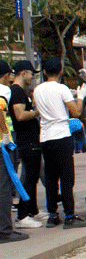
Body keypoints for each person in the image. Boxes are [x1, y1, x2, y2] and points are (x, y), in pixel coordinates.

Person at [32, 57, 86, 229]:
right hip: (62, 136)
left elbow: (43, 108)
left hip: (45, 137)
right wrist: (80, 97)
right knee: (66, 177)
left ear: (43, 72)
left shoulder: (37, 90)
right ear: (60, 71)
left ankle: (52, 215)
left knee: (50, 177)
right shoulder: (62, 88)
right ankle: (70, 216)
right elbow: (76, 112)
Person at [9, 60, 43, 230]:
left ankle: (32, 210)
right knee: (29, 177)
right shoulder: (17, 91)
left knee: (33, 176)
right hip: (26, 140)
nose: (32, 77)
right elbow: (20, 115)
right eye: (31, 73)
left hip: (30, 139)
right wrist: (38, 112)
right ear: (23, 73)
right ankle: (23, 215)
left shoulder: (20, 91)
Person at [0, 60, 28, 243]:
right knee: (4, 188)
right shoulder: (3, 91)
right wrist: (4, 133)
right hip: (2, 146)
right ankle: (4, 230)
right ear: (5, 75)